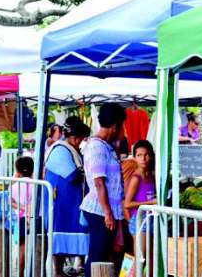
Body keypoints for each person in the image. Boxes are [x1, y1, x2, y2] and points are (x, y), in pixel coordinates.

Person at [80, 103, 126, 277]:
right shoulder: (97, 147)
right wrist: (107, 212)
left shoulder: (106, 146)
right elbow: (99, 182)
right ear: (115, 125)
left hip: (108, 211)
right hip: (100, 211)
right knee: (97, 256)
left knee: (104, 256)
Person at [44, 116, 91, 277]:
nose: (81, 142)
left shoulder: (72, 149)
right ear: (74, 138)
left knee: (75, 231)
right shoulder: (60, 150)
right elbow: (73, 175)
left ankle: (77, 265)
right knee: (61, 233)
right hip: (62, 202)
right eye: (80, 139)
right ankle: (57, 271)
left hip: (72, 200)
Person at [124, 140, 156, 273]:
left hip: (152, 219)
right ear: (135, 157)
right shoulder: (136, 178)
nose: (143, 159)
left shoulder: (152, 175)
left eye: (146, 155)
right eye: (139, 155)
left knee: (151, 261)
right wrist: (151, 203)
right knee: (140, 260)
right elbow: (127, 204)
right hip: (139, 220)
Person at [11, 156, 34, 277]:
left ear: (18, 171)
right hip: (34, 218)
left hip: (21, 218)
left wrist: (22, 207)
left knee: (22, 248)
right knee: (37, 246)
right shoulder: (37, 185)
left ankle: (20, 273)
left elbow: (10, 202)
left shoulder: (14, 186)